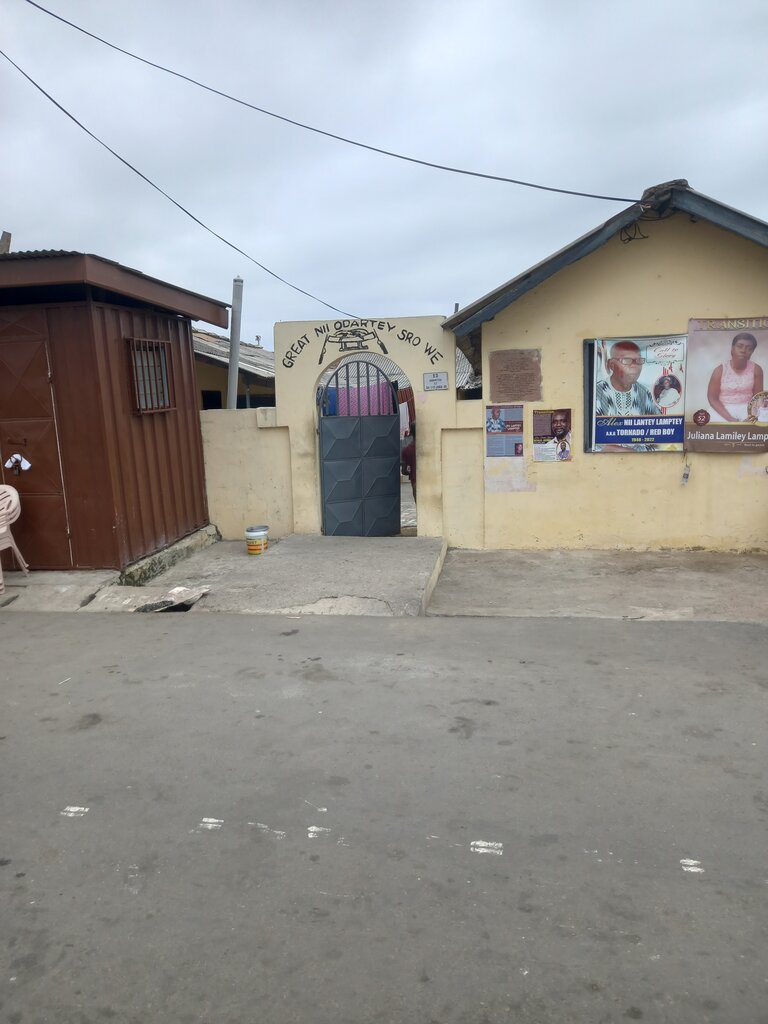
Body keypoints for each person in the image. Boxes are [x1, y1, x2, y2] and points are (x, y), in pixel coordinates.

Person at [707, 332, 764, 422]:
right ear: (732, 349)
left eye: (749, 348)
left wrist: (751, 416)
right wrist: (730, 419)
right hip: (722, 409)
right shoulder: (719, 370)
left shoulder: (756, 369)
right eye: (739, 346)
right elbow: (712, 399)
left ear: (752, 352)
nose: (743, 350)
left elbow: (757, 397)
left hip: (748, 409)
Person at [594, 340, 657, 416]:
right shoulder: (597, 392)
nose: (634, 365)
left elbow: (658, 423)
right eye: (626, 360)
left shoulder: (643, 393)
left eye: (638, 360)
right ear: (612, 365)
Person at [400, 422, 416, 501]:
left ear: (411, 432)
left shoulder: (406, 450)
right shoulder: (430, 447)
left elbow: (404, 471)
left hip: (415, 482)